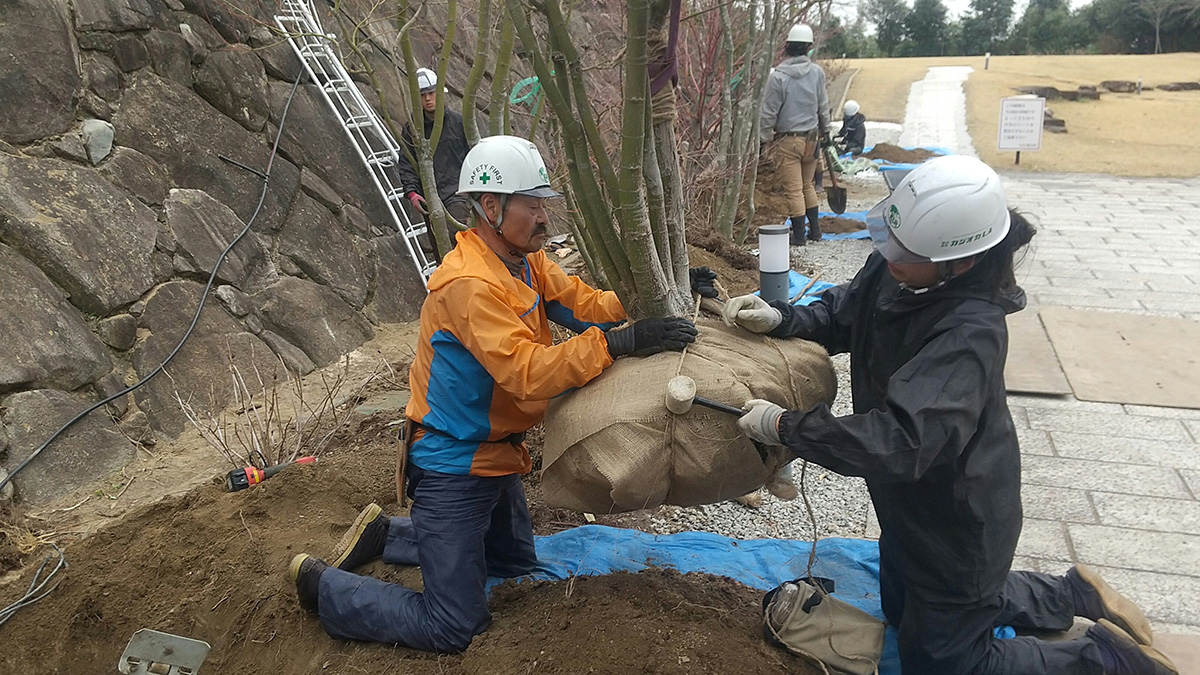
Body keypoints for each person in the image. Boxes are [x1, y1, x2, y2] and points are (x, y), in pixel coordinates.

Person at [725, 155, 1178, 675]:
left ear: (960, 262)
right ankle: (1065, 594)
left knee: (941, 662)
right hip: (908, 507)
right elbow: (847, 313)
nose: (886, 255)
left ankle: (1101, 659)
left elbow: (899, 441)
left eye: (903, 252)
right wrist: (785, 317)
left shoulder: (971, 334)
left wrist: (785, 427)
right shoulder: (904, 262)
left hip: (959, 520)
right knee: (902, 611)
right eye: (888, 241)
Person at [288, 135, 702, 653]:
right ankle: (323, 585)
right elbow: (526, 373)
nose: (545, 218)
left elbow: (584, 305)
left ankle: (388, 537)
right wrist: (617, 344)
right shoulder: (468, 284)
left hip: (499, 457)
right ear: (492, 206)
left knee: (512, 564)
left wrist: (654, 291)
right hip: (452, 465)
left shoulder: (524, 259)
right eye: (534, 206)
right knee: (454, 625)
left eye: (544, 205)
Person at [759, 23, 830, 246]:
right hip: (812, 139)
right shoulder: (817, 73)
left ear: (787, 47)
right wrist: (826, 131)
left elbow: (769, 112)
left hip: (788, 141)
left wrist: (762, 139)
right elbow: (823, 105)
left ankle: (799, 236)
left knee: (793, 190)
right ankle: (815, 232)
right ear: (808, 47)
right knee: (807, 185)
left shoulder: (778, 76)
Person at [397, 67, 471, 258]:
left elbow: (473, 155)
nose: (428, 99)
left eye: (431, 93)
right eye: (423, 95)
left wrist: (472, 188)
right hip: (429, 199)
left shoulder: (458, 123)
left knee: (456, 239)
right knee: (440, 249)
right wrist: (412, 192)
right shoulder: (412, 130)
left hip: (458, 193)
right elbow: (406, 163)